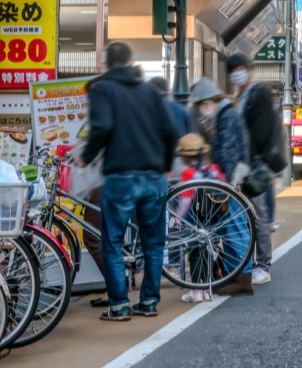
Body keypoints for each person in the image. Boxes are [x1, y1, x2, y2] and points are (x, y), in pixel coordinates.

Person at [79, 42, 179, 322]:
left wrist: (86, 156)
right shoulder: (149, 90)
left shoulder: (102, 89)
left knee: (111, 241)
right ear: (132, 61)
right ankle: (148, 301)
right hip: (154, 176)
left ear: (107, 64)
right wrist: (168, 167)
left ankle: (120, 305)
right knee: (153, 243)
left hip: (121, 177)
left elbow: (102, 127)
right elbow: (170, 131)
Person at [189, 77, 255, 296]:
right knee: (231, 228)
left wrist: (223, 184)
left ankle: (244, 278)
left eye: (201, 106)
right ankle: (234, 275)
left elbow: (227, 152)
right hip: (236, 176)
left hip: (232, 180)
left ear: (208, 102)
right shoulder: (229, 113)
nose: (202, 111)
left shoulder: (226, 116)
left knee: (235, 228)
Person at [239, 81, 285, 285]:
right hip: (264, 170)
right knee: (260, 216)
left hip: (256, 171)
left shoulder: (261, 116)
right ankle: (260, 265)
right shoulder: (272, 116)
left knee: (257, 217)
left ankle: (262, 266)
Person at [171, 133, 222, 303]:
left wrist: (178, 219)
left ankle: (195, 291)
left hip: (194, 217)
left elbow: (185, 200)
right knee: (208, 250)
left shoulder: (189, 172)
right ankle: (207, 290)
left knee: (194, 251)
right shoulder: (212, 168)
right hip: (214, 216)